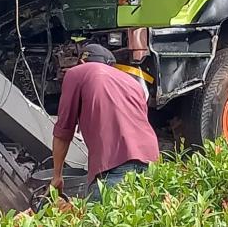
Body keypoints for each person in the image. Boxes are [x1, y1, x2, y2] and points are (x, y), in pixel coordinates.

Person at [50, 44, 159, 201]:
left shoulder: (76, 73)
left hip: (114, 167)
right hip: (151, 162)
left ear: (81, 62)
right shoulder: (133, 83)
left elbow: (63, 131)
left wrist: (57, 176)